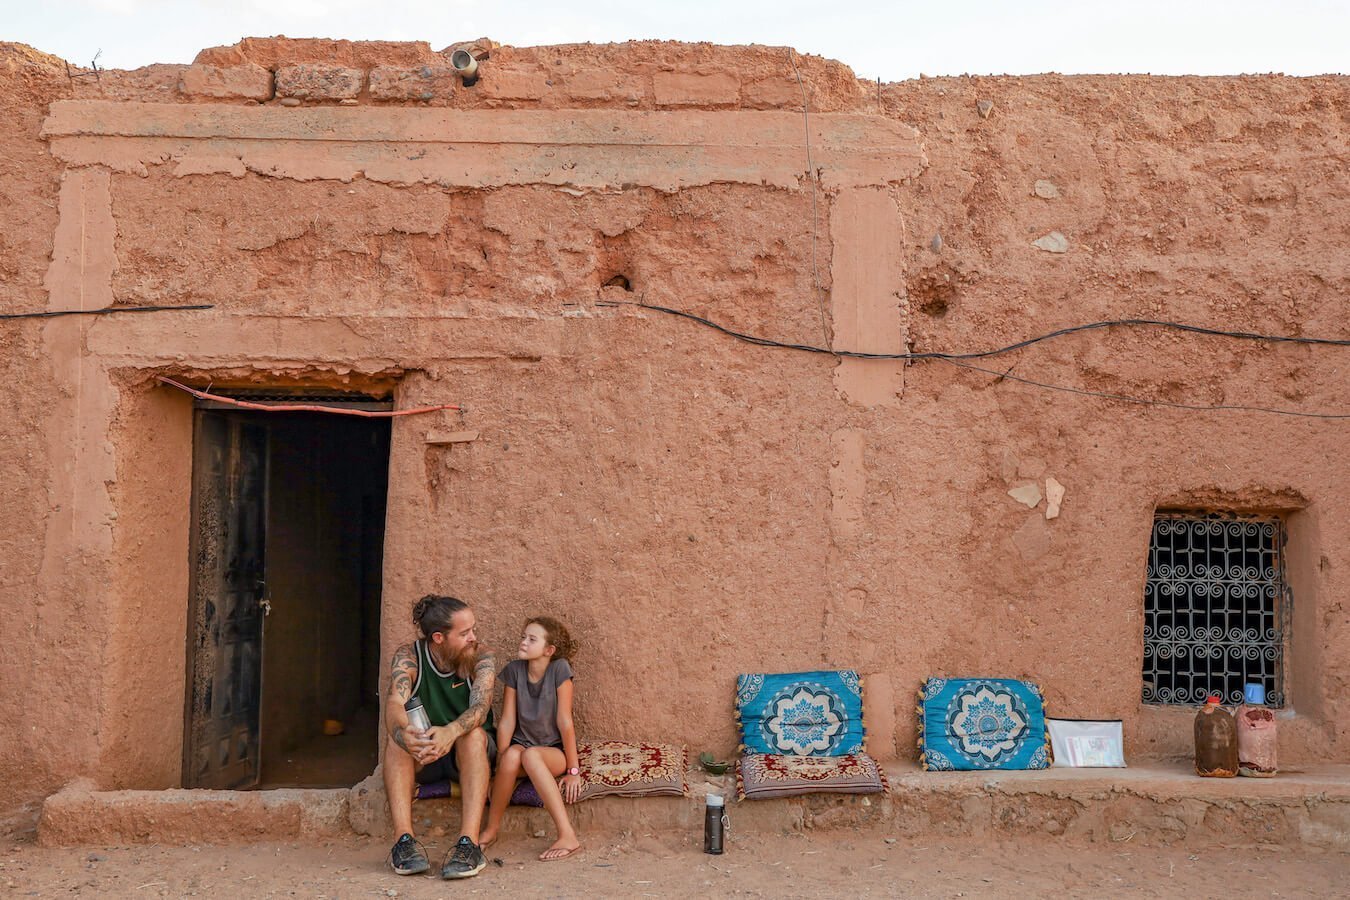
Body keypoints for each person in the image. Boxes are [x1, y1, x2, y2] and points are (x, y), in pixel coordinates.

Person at [384, 594, 497, 879]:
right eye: (464, 633)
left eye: (473, 628)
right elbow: (395, 703)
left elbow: (480, 708)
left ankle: (468, 844)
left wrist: (451, 731)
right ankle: (404, 842)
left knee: (472, 737)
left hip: (470, 755)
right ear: (438, 637)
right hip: (428, 753)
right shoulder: (409, 657)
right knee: (395, 741)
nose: (473, 637)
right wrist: (405, 734)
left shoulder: (481, 656)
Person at [479, 616, 583, 861]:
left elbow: (565, 721)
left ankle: (567, 834)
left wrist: (574, 770)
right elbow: (507, 720)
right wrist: (501, 764)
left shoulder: (560, 670)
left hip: (552, 754)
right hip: (521, 749)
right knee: (514, 754)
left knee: (530, 754)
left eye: (531, 639)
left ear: (549, 650)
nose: (524, 642)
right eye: (523, 636)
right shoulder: (514, 671)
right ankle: (492, 829)